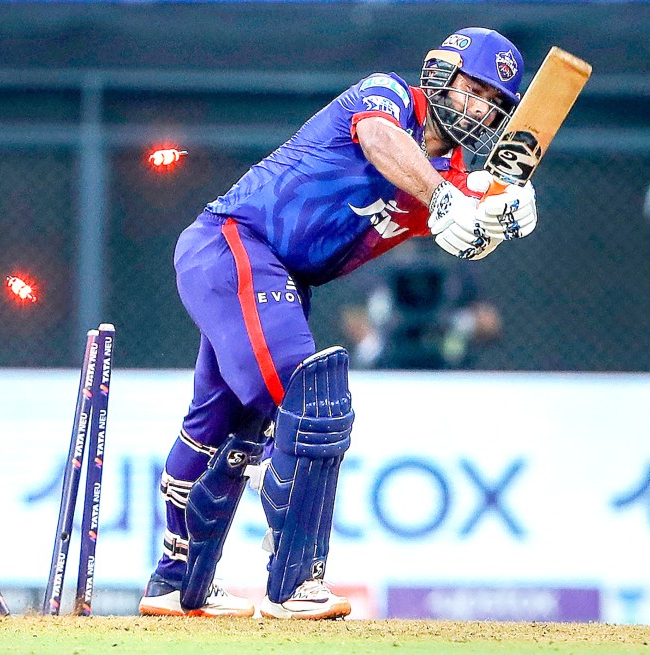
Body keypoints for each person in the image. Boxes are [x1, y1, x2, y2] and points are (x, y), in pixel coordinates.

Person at [139, 27, 538, 620]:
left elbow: (464, 231)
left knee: (228, 425)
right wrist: (447, 197)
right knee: (311, 397)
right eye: (471, 89)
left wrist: (501, 213)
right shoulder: (388, 97)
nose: (479, 109)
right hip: (233, 241)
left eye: (494, 103)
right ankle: (294, 584)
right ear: (439, 75)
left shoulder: (449, 175)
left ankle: (175, 583)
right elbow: (381, 141)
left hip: (278, 276)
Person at [339, 238, 503, 370]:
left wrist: (464, 323)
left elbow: (489, 320)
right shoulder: (376, 257)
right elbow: (351, 315)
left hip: (447, 360)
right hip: (388, 360)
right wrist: (373, 340)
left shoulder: (458, 255)